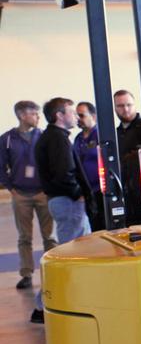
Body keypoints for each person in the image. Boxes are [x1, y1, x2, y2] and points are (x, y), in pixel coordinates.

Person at [0, 101, 56, 290]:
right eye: (33, 114)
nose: (37, 117)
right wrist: (11, 188)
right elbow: (0, 167)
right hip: (20, 194)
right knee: (24, 237)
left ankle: (54, 271)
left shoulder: (43, 136)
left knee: (49, 236)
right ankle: (26, 273)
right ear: (22, 116)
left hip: (42, 193)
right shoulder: (7, 139)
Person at [34, 98, 91, 243]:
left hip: (60, 199)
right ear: (59, 115)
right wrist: (78, 194)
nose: (76, 117)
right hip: (68, 200)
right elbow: (64, 173)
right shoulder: (58, 138)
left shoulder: (51, 136)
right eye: (72, 112)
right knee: (78, 248)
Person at [114, 89, 141, 225]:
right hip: (125, 190)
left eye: (129, 105)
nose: (125, 109)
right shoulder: (116, 132)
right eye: (120, 106)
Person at [73, 101, 103, 230]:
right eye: (76, 115)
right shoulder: (78, 138)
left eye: (82, 115)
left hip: (100, 191)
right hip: (86, 192)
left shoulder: (100, 135)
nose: (78, 119)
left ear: (94, 116)